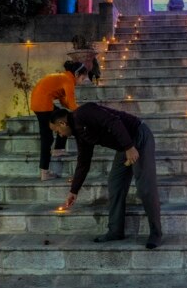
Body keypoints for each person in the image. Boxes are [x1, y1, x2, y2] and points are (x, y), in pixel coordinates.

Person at [49, 103, 162, 249]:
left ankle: (156, 233)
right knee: (115, 184)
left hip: (138, 135)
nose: (59, 134)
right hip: (124, 145)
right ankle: (115, 231)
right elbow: (83, 161)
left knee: (145, 188)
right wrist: (74, 190)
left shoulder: (84, 112)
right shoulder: (80, 133)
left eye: (57, 130)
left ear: (62, 123)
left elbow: (113, 121)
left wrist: (129, 147)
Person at [30, 61, 89, 181]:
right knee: (47, 138)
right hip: (43, 105)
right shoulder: (68, 80)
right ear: (77, 75)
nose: (83, 81)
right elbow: (72, 104)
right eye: (83, 78)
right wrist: (84, 114)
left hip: (40, 103)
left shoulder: (63, 78)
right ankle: (44, 172)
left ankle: (58, 149)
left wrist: (78, 109)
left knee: (64, 116)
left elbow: (64, 102)